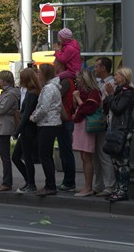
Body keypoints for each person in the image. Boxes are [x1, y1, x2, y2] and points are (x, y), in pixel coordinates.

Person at [102, 67, 134, 202]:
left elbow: (117, 109)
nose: (114, 77)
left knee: (122, 162)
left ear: (124, 77)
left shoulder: (128, 93)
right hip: (114, 129)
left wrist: (110, 96)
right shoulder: (117, 92)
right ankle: (118, 188)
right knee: (115, 162)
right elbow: (107, 109)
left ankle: (123, 190)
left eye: (116, 75)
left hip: (123, 130)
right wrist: (108, 97)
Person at [30, 64, 63, 196]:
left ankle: (50, 185)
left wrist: (33, 117)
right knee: (46, 155)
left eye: (39, 72)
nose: (37, 75)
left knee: (44, 155)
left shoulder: (49, 88)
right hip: (50, 123)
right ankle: (49, 184)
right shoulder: (50, 87)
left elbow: (44, 108)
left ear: (44, 74)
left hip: (48, 124)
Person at [71, 70, 102, 197]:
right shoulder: (85, 92)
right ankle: (87, 186)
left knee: (86, 157)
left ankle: (88, 187)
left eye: (79, 79)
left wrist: (77, 98)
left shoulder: (93, 93)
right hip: (81, 125)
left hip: (86, 126)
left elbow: (87, 109)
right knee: (84, 157)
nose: (77, 81)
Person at [0, 70, 20, 192]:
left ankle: (7, 182)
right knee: (3, 156)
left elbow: (1, 109)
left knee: (5, 157)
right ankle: (6, 181)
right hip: (0, 126)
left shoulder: (11, 94)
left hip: (4, 127)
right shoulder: (6, 93)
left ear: (5, 81)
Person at [12, 68, 40, 194]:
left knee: (24, 157)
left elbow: (25, 114)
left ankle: (31, 183)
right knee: (18, 157)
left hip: (28, 130)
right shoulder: (33, 92)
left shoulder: (31, 94)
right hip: (29, 129)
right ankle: (29, 181)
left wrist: (17, 131)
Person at [92, 57, 116, 197]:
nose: (95, 69)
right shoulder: (98, 83)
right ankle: (99, 184)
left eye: (97, 66)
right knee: (96, 155)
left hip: (105, 122)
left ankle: (109, 186)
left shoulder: (111, 83)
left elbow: (104, 103)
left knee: (104, 154)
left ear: (103, 68)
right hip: (97, 122)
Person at [55, 58, 77, 191]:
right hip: (65, 119)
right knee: (64, 151)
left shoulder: (65, 82)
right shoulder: (66, 81)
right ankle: (68, 181)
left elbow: (56, 96)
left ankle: (69, 181)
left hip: (65, 119)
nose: (54, 65)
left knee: (66, 151)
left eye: (55, 63)